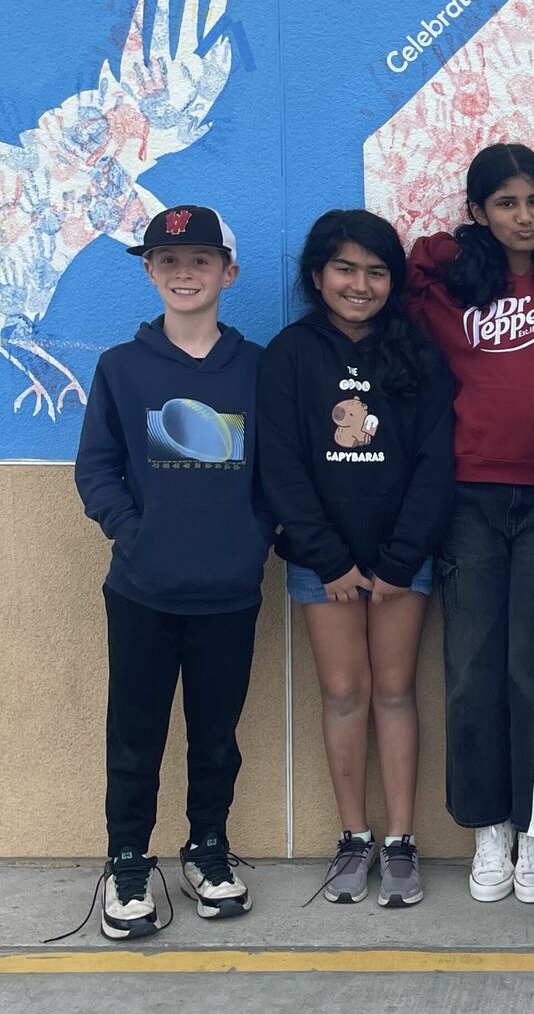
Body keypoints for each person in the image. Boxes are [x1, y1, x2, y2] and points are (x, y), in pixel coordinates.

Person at [406, 143, 534, 905]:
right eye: (505, 202)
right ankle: (487, 824)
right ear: (477, 211)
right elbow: (410, 271)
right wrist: (457, 245)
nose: (523, 216)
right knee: (471, 667)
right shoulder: (454, 281)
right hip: (468, 495)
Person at [70, 205, 272, 939]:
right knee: (135, 733)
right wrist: (135, 535)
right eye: (167, 261)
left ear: (228, 272)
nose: (183, 273)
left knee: (216, 735)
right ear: (150, 273)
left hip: (228, 593)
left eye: (199, 260)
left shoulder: (257, 369)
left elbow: (274, 475)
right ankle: (129, 859)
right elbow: (96, 468)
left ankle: (207, 847)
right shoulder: (121, 368)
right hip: (142, 591)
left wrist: (254, 539)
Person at [258, 209, 454, 909]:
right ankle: (354, 836)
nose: (360, 284)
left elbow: (436, 463)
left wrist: (401, 561)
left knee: (396, 690)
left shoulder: (419, 352)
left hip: (402, 560)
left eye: (375, 271)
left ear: (393, 280)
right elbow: (280, 465)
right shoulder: (289, 354)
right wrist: (329, 559)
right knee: (345, 692)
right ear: (317, 275)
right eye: (345, 268)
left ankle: (400, 841)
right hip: (324, 564)